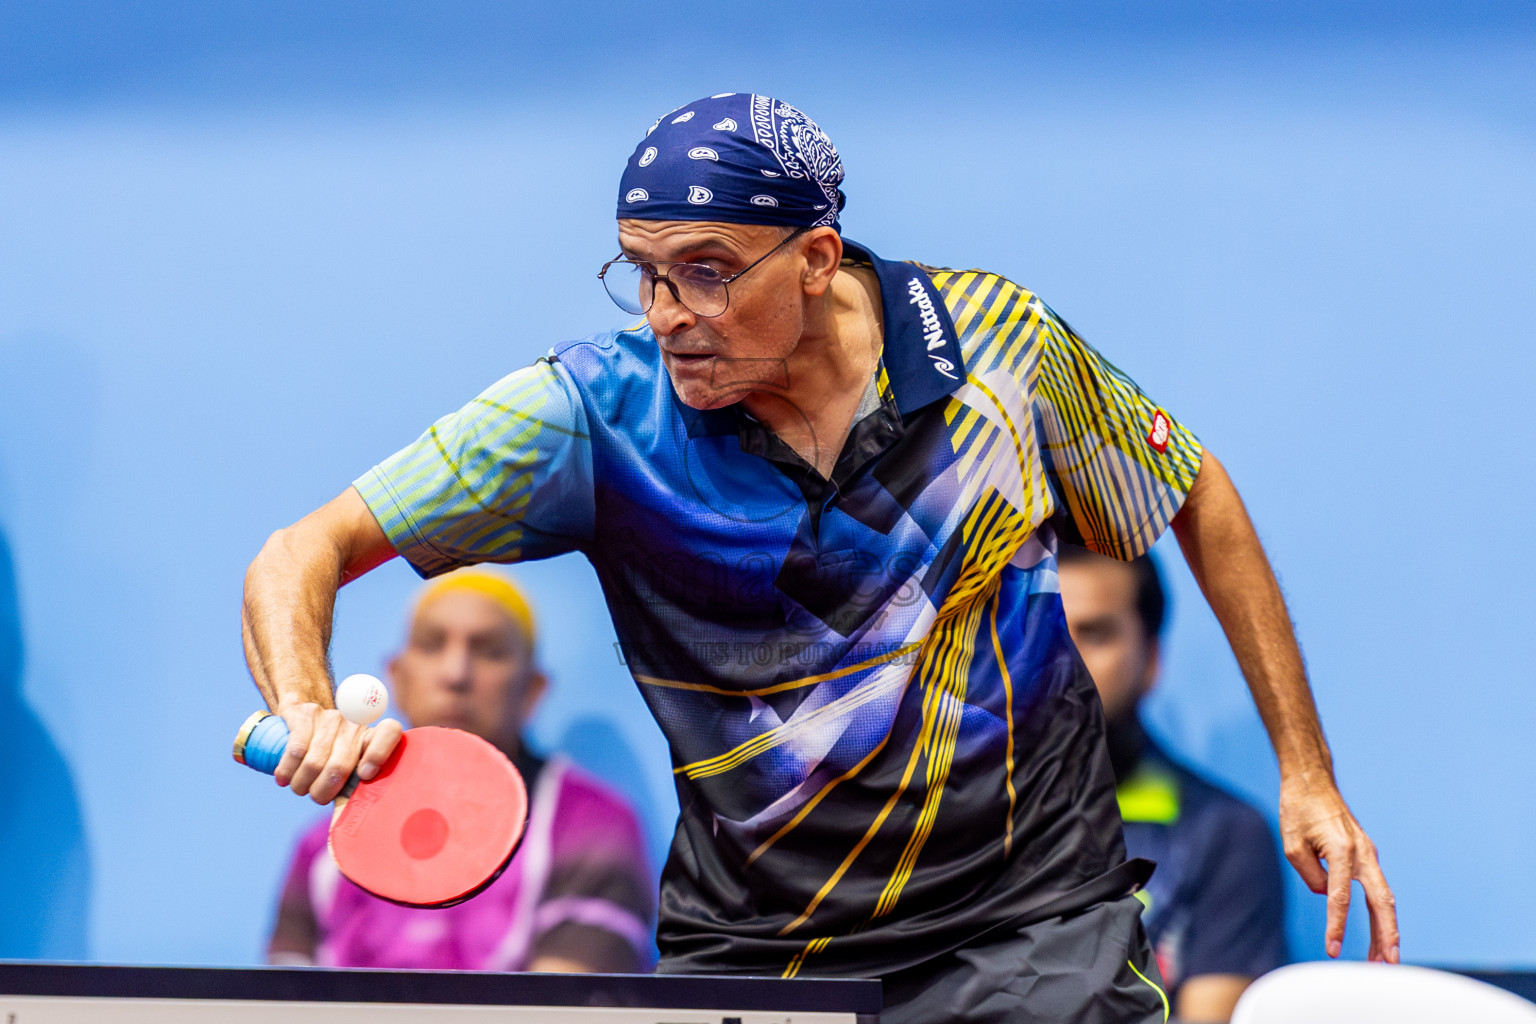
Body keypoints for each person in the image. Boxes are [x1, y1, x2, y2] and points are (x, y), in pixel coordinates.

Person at [240, 93, 1397, 1022]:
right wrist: (304, 704)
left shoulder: (1001, 350)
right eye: (642, 269)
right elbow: (303, 550)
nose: (666, 311)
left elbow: (1192, 492)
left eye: (704, 269)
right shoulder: (600, 413)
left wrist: (1306, 769)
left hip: (1028, 925)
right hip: (756, 950)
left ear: (816, 256)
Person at [265, 568, 655, 973]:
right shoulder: (321, 848)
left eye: (490, 651)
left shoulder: (590, 824)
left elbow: (563, 1009)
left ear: (531, 691)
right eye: (433, 645)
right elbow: (285, 1001)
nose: (456, 674)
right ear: (397, 680)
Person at [1058, 543, 1288, 1022]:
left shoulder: (1223, 833)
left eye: (1095, 634)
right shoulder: (938, 816)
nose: (1066, 663)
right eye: (1044, 634)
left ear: (1151, 658)